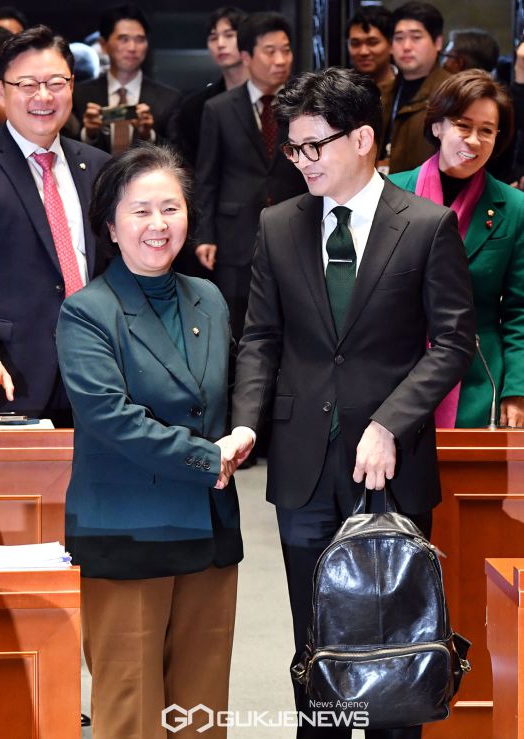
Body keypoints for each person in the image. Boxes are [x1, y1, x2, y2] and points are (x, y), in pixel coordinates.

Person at [228, 67, 475, 738]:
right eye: (293, 148)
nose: (302, 160)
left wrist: (391, 421)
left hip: (392, 466)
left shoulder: (425, 226)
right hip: (303, 466)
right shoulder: (279, 225)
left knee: (397, 647)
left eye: (315, 145)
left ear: (362, 138)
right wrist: (246, 424)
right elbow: (261, 337)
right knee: (318, 651)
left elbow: (454, 341)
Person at [56, 144, 243, 739]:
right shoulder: (87, 311)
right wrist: (209, 457)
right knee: (132, 711)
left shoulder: (209, 298)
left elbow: (230, 388)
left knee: (201, 712)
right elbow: (111, 418)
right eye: (140, 211)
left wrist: (243, 431)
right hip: (129, 531)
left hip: (209, 530)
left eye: (170, 208)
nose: (158, 224)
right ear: (110, 227)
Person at [389, 69, 524, 428]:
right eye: (463, 126)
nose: (474, 141)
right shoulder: (389, 194)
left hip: (479, 378)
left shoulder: (514, 207)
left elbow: (519, 311)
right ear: (437, 126)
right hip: (394, 371)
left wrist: (517, 390)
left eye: (487, 130)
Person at [0, 25, 109, 425]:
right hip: (11, 374)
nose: (43, 96)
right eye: (27, 84)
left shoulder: (100, 167)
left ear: (72, 86)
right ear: (0, 89)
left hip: (99, 372)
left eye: (55, 83)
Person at [194, 11, 306, 342]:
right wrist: (205, 235)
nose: (280, 60)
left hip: (295, 227)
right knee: (238, 326)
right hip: (236, 235)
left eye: (286, 50)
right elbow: (207, 177)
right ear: (246, 56)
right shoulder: (219, 108)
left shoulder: (305, 106)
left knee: (294, 320)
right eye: (270, 51)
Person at [72, 3, 182, 155]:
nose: (132, 48)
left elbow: (178, 156)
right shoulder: (79, 95)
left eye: (140, 39)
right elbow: (66, 147)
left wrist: (148, 136)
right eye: (123, 39)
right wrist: (89, 134)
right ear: (104, 44)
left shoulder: (169, 99)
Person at [381, 1, 450, 174]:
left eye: (416, 37)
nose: (406, 47)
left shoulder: (452, 92)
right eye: (399, 38)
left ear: (438, 42)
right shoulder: (382, 92)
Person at [177, 6, 249, 168]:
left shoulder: (267, 97)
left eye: (229, 35)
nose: (220, 44)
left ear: (247, 39)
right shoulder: (196, 106)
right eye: (213, 38)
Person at [346, 6, 395, 92]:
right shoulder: (341, 89)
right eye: (355, 43)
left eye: (372, 42)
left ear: (391, 45)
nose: (363, 52)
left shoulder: (407, 86)